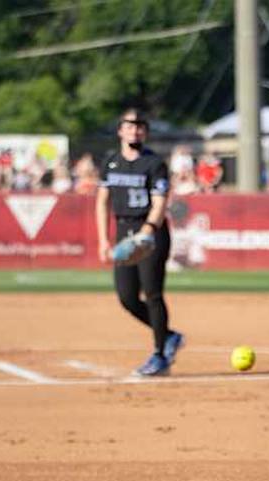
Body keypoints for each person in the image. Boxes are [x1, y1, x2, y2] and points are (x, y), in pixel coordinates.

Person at [94, 108, 183, 376]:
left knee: (153, 294)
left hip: (150, 233)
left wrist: (146, 232)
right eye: (130, 125)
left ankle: (159, 356)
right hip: (123, 230)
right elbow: (102, 201)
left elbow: (160, 202)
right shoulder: (110, 161)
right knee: (127, 297)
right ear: (120, 130)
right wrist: (103, 239)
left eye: (140, 126)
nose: (135, 130)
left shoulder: (154, 163)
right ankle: (169, 335)